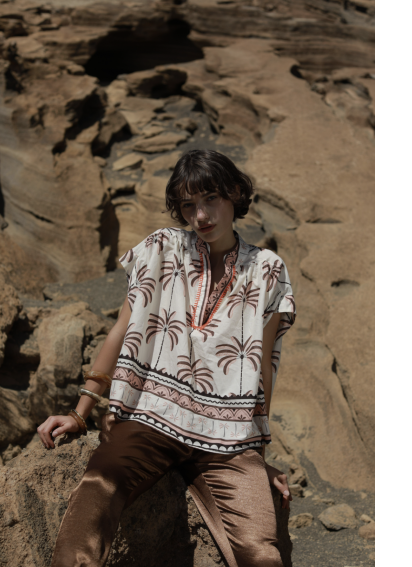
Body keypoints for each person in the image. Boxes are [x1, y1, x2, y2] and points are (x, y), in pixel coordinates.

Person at [38, 149, 297, 567]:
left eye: (210, 199)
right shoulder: (162, 248)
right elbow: (122, 330)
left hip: (229, 442)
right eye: (189, 205)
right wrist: (80, 413)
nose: (200, 215)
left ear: (234, 194)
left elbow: (262, 369)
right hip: (151, 418)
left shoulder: (268, 270)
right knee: (96, 494)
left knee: (261, 552)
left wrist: (257, 456)